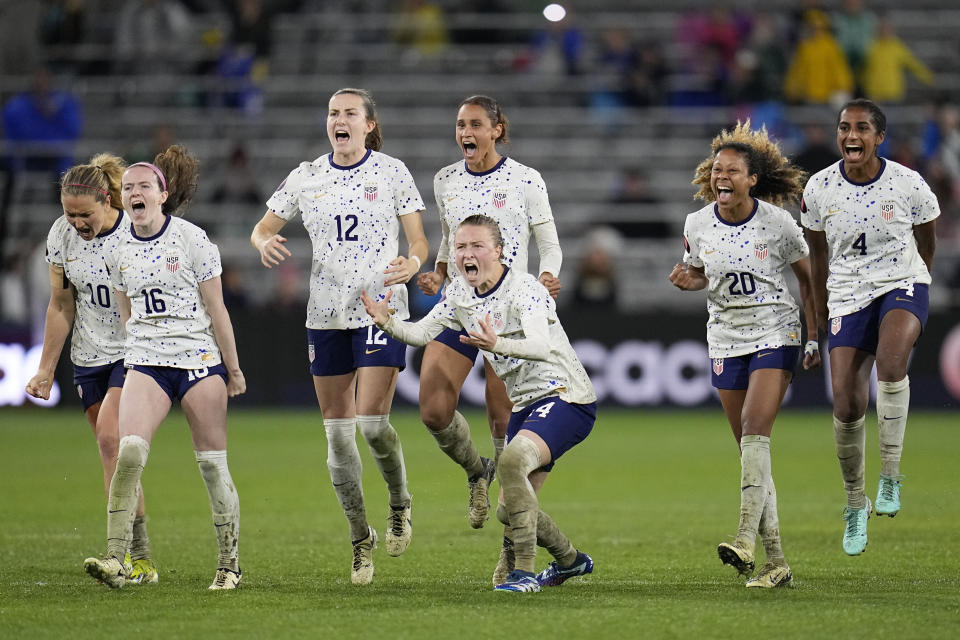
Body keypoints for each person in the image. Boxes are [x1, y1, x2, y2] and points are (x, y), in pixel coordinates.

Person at [363, 214, 596, 593]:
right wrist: (387, 321)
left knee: (511, 461)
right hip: (525, 406)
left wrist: (496, 344)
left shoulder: (525, 289)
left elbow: (541, 346)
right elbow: (422, 333)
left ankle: (522, 573)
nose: (466, 254)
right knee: (509, 510)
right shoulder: (459, 294)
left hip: (566, 396)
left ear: (499, 252)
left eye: (477, 246)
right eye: (460, 247)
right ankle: (571, 560)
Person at [251, 88, 427, 585]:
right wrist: (265, 241)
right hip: (325, 314)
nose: (339, 120)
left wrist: (413, 263)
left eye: (350, 113)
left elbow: (418, 239)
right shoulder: (306, 177)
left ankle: (399, 502)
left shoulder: (392, 171)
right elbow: (261, 228)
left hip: (381, 308)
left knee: (372, 424)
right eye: (333, 113)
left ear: (369, 124)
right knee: (336, 437)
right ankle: (359, 538)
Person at [82, 145, 246, 590]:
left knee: (212, 466)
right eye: (129, 187)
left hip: (197, 362)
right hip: (148, 362)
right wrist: (138, 353)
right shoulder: (116, 250)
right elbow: (126, 313)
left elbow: (218, 309)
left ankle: (229, 565)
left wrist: (232, 369)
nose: (135, 192)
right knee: (129, 451)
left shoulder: (193, 240)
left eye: (144, 186)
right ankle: (120, 558)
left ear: (161, 193)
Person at [669, 121, 820, 588]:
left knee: (756, 431)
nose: (721, 176)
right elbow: (701, 275)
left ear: (752, 179)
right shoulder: (696, 225)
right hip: (726, 338)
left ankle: (744, 540)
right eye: (717, 169)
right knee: (750, 452)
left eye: (732, 170)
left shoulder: (777, 224)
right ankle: (777, 564)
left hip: (776, 331)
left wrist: (813, 336)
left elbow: (808, 279)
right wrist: (687, 280)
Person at [416, 95, 562, 530]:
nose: (466, 132)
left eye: (476, 124)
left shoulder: (525, 179)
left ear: (496, 130)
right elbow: (449, 237)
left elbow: (548, 242)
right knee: (433, 410)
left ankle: (509, 504)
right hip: (459, 306)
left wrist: (548, 274)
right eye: (461, 124)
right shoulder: (445, 179)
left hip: (508, 312)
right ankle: (476, 470)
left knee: (502, 417)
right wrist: (441, 271)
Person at [801, 99, 939, 556]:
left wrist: (920, 281)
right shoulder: (819, 188)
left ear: (880, 137)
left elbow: (928, 236)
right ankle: (854, 504)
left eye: (861, 128)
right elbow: (818, 258)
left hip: (901, 281)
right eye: (844, 127)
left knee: (892, 362)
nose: (850, 135)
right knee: (846, 402)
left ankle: (891, 476)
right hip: (846, 293)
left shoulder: (908, 183)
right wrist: (816, 318)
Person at [25, 153, 158, 585]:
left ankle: (121, 555)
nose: (77, 223)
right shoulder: (61, 236)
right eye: (69, 214)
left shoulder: (135, 235)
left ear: (109, 201)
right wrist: (45, 369)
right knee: (110, 454)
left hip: (132, 350)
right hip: (87, 357)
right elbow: (62, 304)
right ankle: (141, 558)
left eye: (85, 215)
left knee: (109, 437)